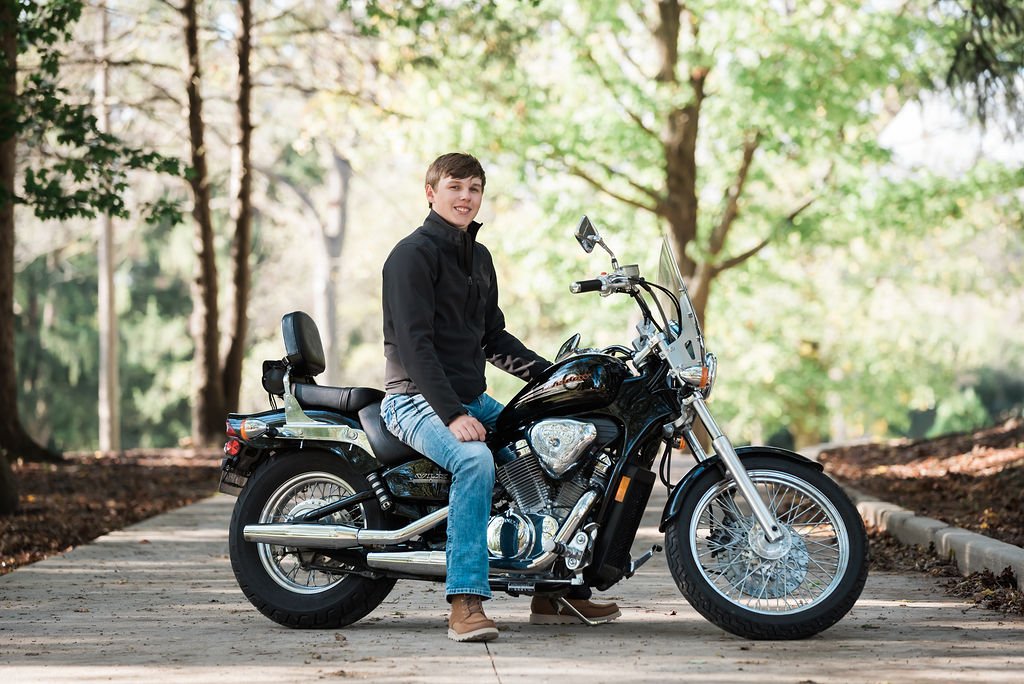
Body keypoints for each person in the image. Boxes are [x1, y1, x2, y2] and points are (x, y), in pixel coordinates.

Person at [380, 152, 620, 642]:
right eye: (455, 187)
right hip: (414, 400)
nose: (465, 197)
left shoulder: (479, 257)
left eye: (474, 188)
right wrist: (451, 414)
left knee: (560, 443)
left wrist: (556, 378)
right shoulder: (412, 255)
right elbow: (414, 345)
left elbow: (494, 340)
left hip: (469, 396)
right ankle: (465, 601)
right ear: (431, 193)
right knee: (475, 463)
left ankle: (553, 590)